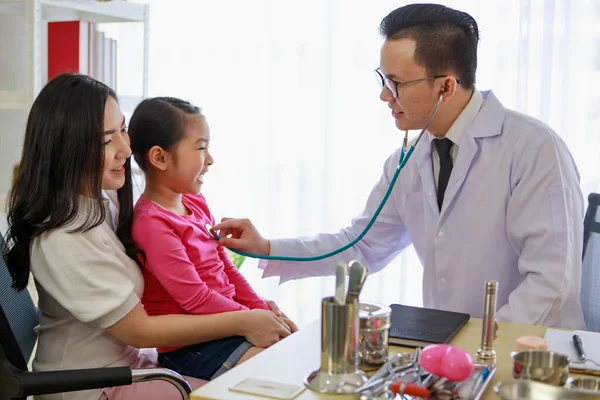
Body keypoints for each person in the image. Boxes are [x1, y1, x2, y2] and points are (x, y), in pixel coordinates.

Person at [212, 3, 586, 329]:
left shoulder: (535, 149)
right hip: (451, 352)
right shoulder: (407, 159)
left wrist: (480, 348)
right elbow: (360, 245)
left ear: (446, 87)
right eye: (382, 79)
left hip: (530, 356)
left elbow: (551, 283)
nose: (384, 95)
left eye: (395, 83)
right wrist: (267, 246)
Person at [2, 74, 293, 400]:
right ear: (69, 148)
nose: (126, 148)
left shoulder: (102, 201)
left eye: (123, 130)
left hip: (131, 366)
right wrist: (244, 320)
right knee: (248, 393)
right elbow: (139, 330)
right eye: (106, 140)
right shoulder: (64, 235)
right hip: (92, 386)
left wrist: (251, 311)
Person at [127, 97, 296, 381]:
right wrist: (249, 319)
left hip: (228, 327)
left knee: (294, 347)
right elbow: (195, 298)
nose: (210, 159)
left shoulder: (196, 202)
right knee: (282, 368)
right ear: (160, 158)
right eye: (201, 148)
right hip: (191, 348)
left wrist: (260, 310)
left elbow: (225, 268)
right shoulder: (151, 224)